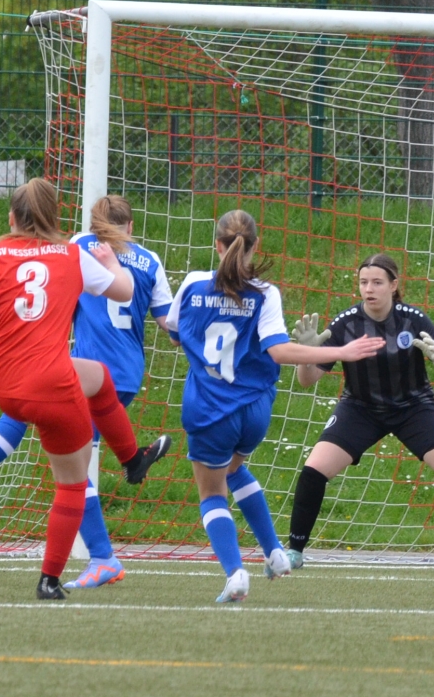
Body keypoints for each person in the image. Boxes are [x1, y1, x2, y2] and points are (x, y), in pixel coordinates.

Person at [0, 177, 165, 600]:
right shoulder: (73, 255)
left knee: (97, 376)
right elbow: (125, 290)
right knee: (72, 485)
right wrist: (112, 263)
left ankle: (132, 459)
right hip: (52, 383)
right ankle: (50, 579)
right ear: (55, 218)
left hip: (5, 382)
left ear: (11, 219)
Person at [164, 209, 383, 604]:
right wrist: (340, 351)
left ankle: (235, 574)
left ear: (217, 245)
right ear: (255, 246)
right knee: (234, 469)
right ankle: (275, 552)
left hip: (209, 407)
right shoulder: (265, 293)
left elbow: (175, 334)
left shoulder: (194, 284)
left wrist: (341, 351)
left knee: (211, 492)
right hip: (255, 410)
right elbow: (278, 351)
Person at [285, 252, 434, 575]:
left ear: (394, 285)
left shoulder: (413, 319)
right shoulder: (345, 323)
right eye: (363, 282)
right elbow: (307, 381)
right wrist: (306, 355)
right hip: (360, 409)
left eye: (377, 282)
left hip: (414, 408)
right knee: (313, 472)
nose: (369, 289)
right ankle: (294, 553)